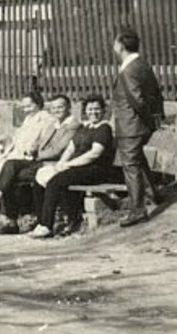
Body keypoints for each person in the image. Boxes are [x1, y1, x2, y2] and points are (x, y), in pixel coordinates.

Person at [0, 94, 77, 235]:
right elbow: (41, 142)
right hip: (40, 160)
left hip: (54, 164)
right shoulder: (54, 124)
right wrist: (33, 148)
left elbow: (59, 150)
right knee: (10, 166)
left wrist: (37, 154)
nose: (57, 110)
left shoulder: (72, 126)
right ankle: (4, 210)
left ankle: (6, 213)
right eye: (54, 107)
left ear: (69, 107)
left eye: (60, 107)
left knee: (11, 173)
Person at [0, 91, 58, 231]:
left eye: (30, 106)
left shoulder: (46, 120)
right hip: (12, 154)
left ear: (38, 104)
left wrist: (33, 149)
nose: (26, 110)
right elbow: (16, 140)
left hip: (23, 157)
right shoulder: (28, 119)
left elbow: (43, 142)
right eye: (24, 107)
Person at [27, 96, 115, 239]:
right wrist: (61, 164)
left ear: (103, 110)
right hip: (79, 167)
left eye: (97, 109)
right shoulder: (85, 128)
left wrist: (68, 165)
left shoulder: (104, 129)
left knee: (55, 181)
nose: (94, 112)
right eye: (90, 109)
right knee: (39, 178)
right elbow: (70, 149)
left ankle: (47, 226)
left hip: (95, 170)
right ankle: (41, 220)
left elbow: (94, 154)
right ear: (85, 112)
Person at [113, 29, 162, 227]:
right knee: (138, 159)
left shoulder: (128, 69)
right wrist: (155, 119)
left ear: (120, 46)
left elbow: (137, 100)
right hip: (138, 125)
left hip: (130, 126)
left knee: (130, 166)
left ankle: (138, 210)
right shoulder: (142, 64)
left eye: (115, 43)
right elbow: (156, 93)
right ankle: (154, 193)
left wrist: (148, 120)